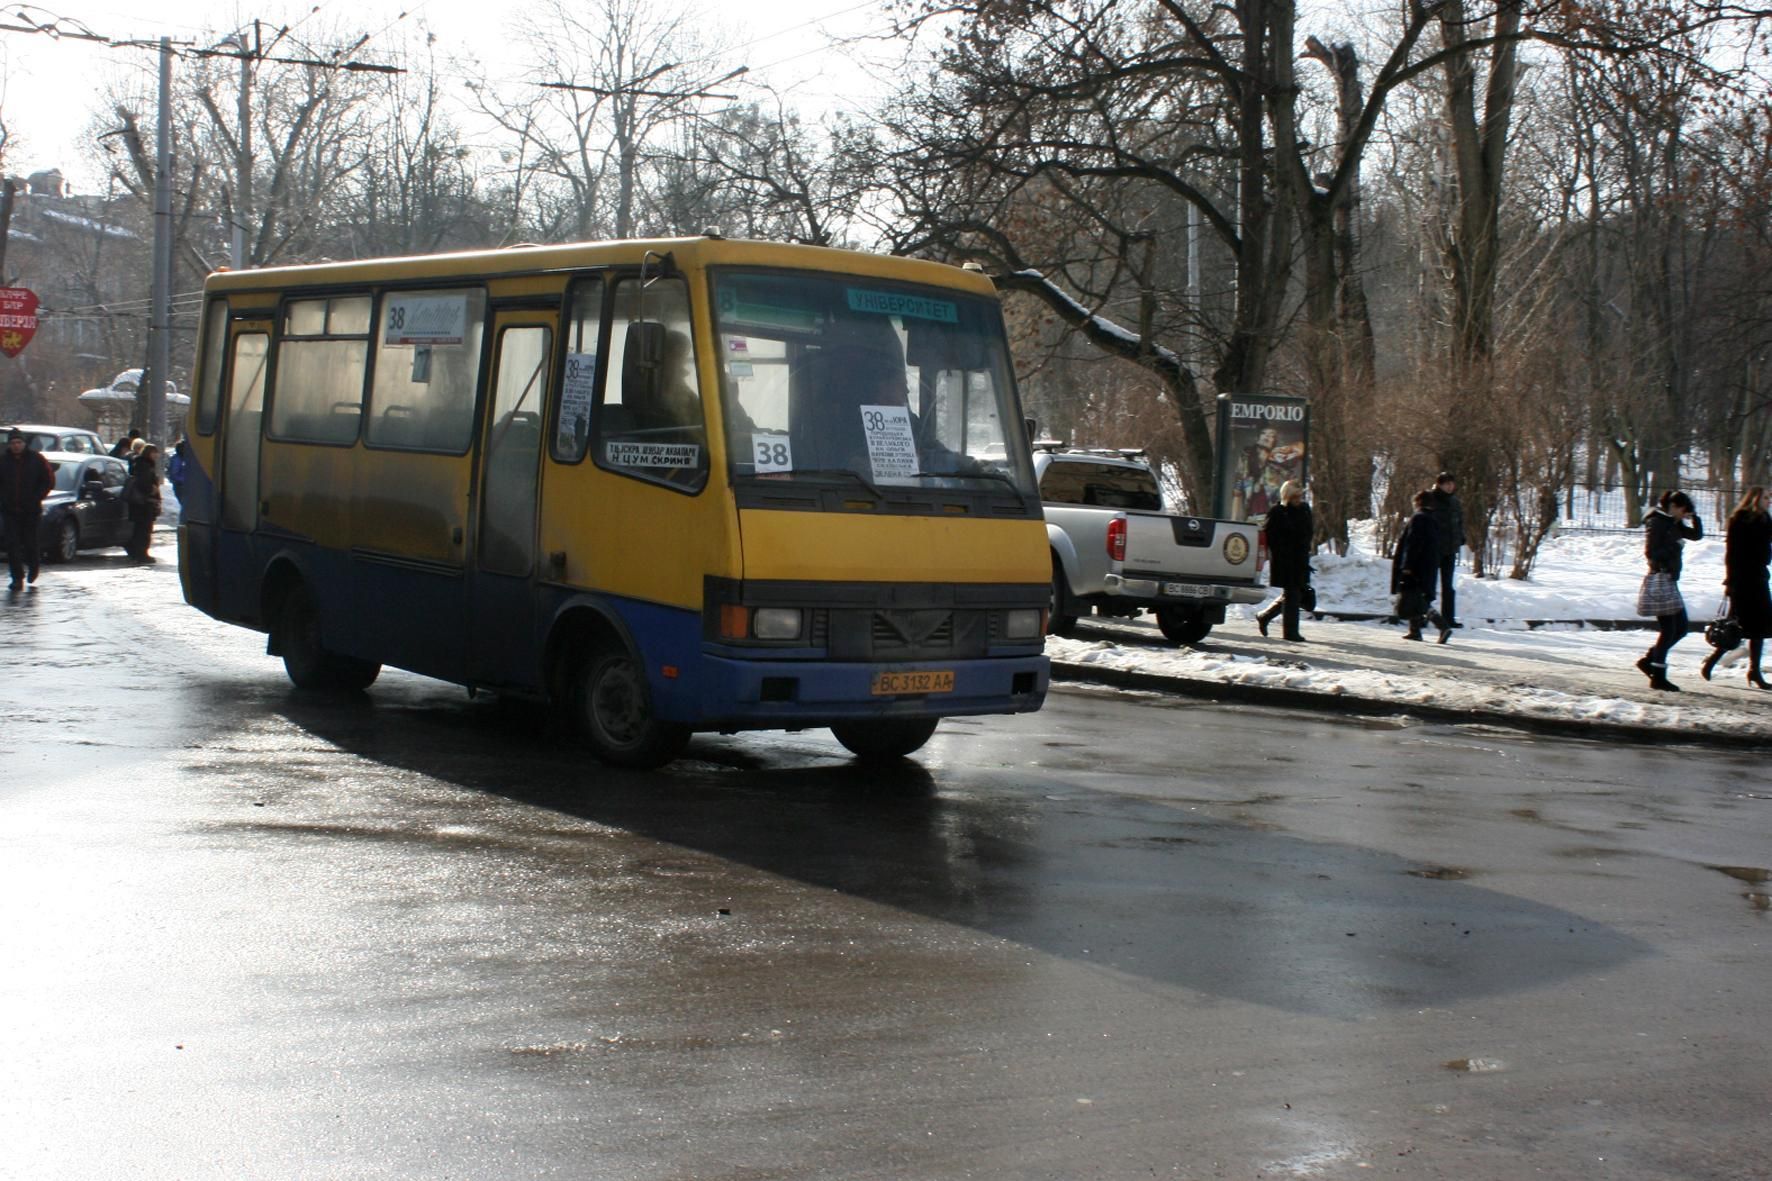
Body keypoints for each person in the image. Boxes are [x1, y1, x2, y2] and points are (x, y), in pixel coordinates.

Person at [1703, 485, 1771, 689]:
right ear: (1755, 498)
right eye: (1766, 497)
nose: (1769, 500)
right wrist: (1730, 581)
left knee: (1759, 629)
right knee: (1736, 628)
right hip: (1742, 582)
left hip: (1759, 579)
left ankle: (1754, 671)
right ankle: (1712, 662)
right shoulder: (1739, 520)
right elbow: (1731, 554)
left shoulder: (1765, 519)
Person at [1636, 489, 1703, 691]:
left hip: (1670, 581)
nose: (1684, 515)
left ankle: (1649, 661)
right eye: (1683, 510)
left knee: (1681, 628)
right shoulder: (1657, 522)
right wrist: (1675, 546)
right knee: (1670, 629)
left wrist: (1695, 518)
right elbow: (1651, 553)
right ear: (1673, 507)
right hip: (1660, 580)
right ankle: (1658, 675)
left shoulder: (1672, 522)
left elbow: (1695, 535)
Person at [1256, 480, 1313, 642]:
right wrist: (1282, 552)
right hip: (1285, 560)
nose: (1298, 499)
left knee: (1295, 593)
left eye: (1300, 495)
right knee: (1293, 593)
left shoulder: (1304, 509)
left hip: (1300, 558)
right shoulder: (1277, 512)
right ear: (1287, 495)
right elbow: (1271, 536)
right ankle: (1290, 632)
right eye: (1295, 496)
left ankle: (1264, 616)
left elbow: (1309, 532)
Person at [1, 427, 55, 590]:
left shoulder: (37, 459)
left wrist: (36, 497)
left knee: (30, 542)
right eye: (13, 443)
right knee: (12, 545)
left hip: (31, 510)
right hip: (10, 510)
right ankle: (17, 577)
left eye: (19, 442)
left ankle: (33, 566)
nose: (16, 446)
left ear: (24, 443)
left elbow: (48, 481)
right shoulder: (3, 461)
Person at [1392, 489, 1445, 642]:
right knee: (1415, 597)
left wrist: (1407, 565)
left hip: (1416, 566)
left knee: (1415, 598)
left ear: (1418, 502)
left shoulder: (1418, 518)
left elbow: (1413, 544)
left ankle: (1442, 625)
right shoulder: (1433, 519)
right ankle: (1414, 630)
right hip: (1428, 566)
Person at [1429, 471, 1464, 628]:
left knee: (1448, 586)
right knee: (1429, 585)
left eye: (1452, 484)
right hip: (1434, 548)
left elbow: (1459, 522)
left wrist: (1460, 537)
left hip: (1450, 549)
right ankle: (1424, 616)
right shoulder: (1431, 500)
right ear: (1440, 484)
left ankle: (1448, 618)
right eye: (1447, 484)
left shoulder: (1454, 502)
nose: (1450, 487)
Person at [124, 442, 164, 563]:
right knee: (144, 529)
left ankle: (137, 553)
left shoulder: (139, 463)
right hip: (144, 503)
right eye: (155, 453)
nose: (156, 455)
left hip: (138, 503)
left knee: (139, 529)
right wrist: (152, 489)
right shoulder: (144, 465)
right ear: (149, 453)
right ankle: (141, 554)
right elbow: (144, 484)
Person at [166, 435, 191, 507]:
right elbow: (174, 474)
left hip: (182, 485)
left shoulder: (181, 458)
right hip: (180, 485)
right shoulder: (177, 459)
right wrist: (185, 480)